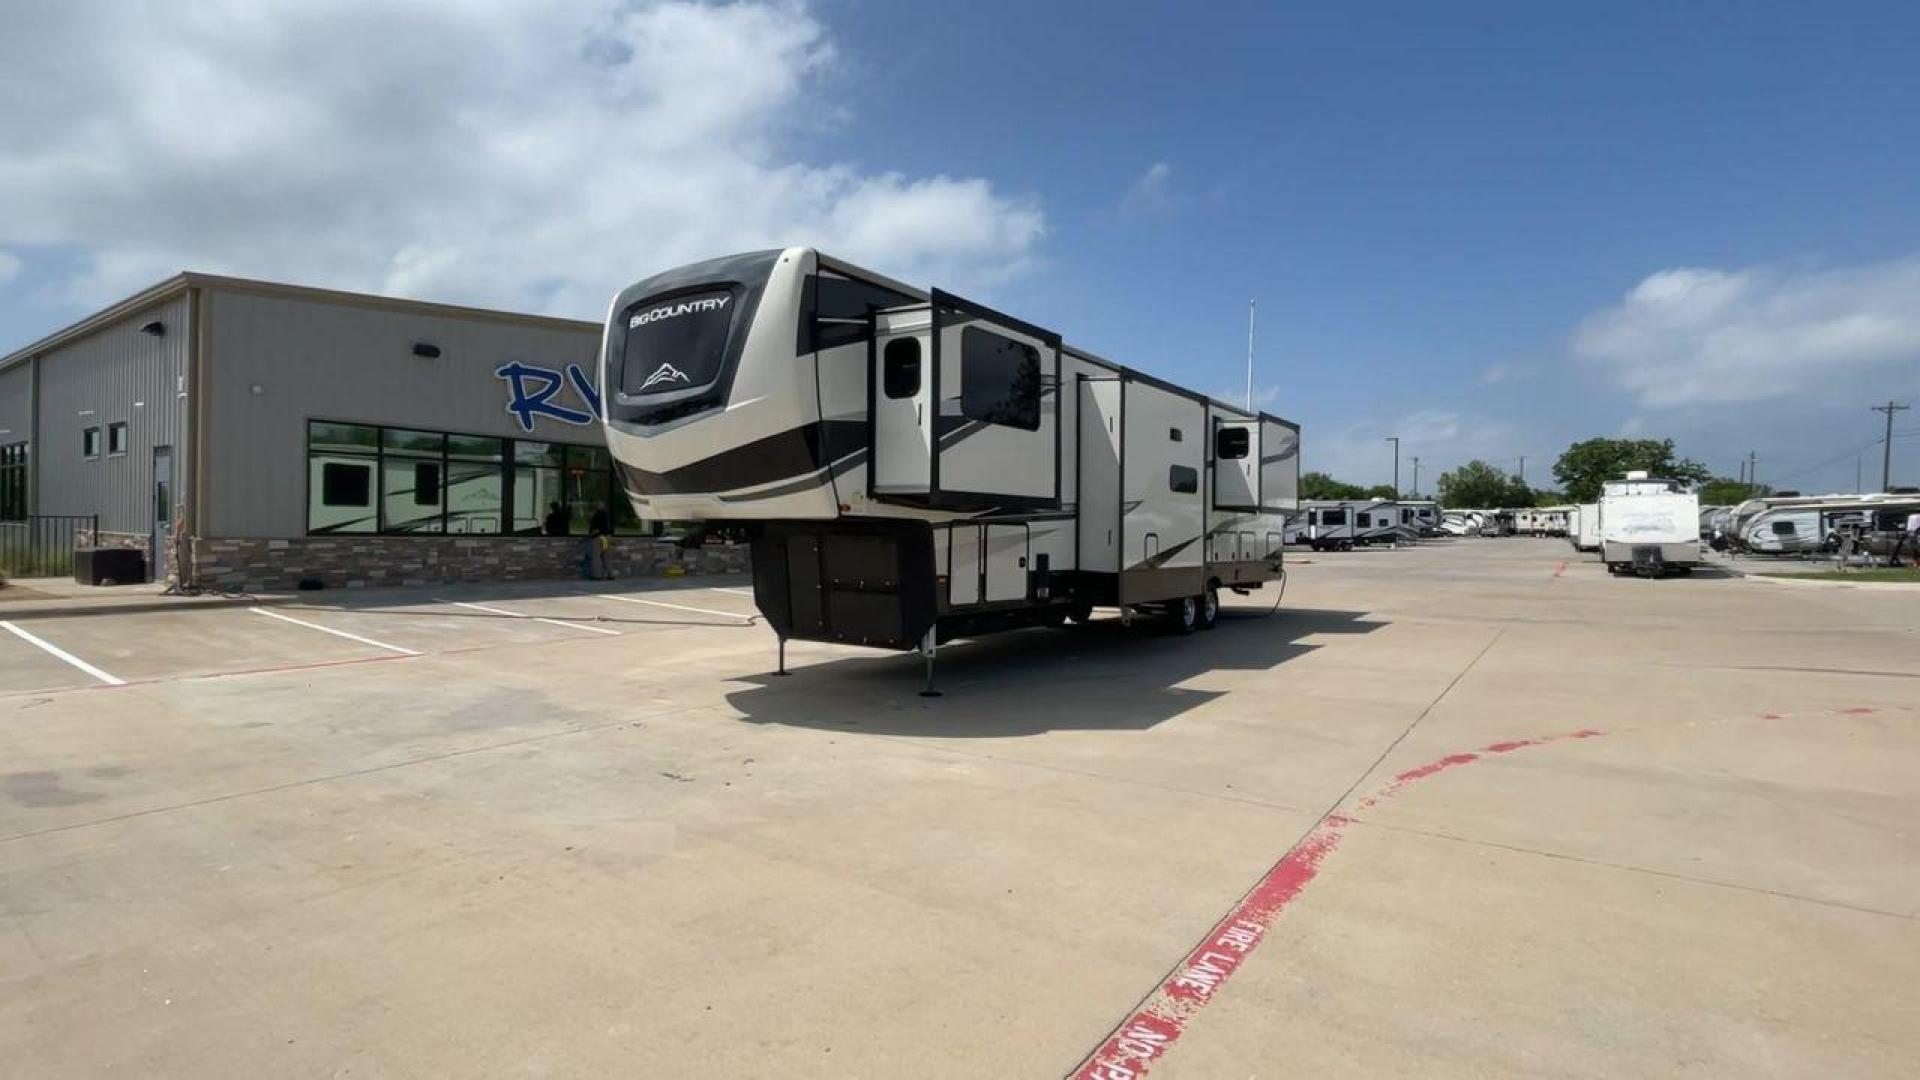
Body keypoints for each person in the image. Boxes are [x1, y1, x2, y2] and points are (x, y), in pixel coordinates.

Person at [582, 506, 613, 580]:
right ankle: (610, 574)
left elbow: (594, 529)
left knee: (596, 557)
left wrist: (589, 536)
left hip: (597, 538)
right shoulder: (607, 517)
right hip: (606, 538)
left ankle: (597, 575)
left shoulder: (596, 516)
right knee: (606, 557)